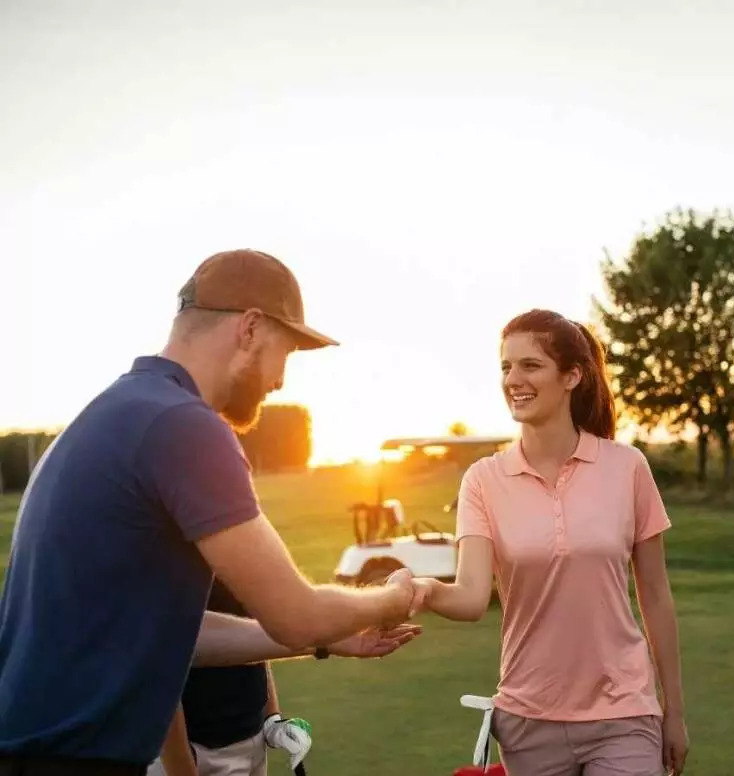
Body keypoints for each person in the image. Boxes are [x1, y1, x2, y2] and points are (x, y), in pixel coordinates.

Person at [0, 249, 426, 776]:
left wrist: (327, 639)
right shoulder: (183, 424)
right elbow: (295, 611)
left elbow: (177, 633)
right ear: (250, 330)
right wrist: (391, 597)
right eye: (285, 353)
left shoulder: (123, 410)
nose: (281, 382)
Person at [399, 309, 689, 776]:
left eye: (530, 365)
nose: (513, 379)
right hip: (528, 719)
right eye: (506, 367)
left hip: (624, 713)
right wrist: (425, 589)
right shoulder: (483, 480)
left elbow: (655, 596)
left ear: (572, 375)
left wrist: (674, 712)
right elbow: (472, 597)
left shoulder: (627, 467)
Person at [150, 579, 423, 776]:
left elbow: (256, 625)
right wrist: (392, 598)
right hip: (183, 754)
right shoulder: (157, 532)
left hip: (249, 742)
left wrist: (272, 720)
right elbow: (159, 652)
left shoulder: (233, 527)